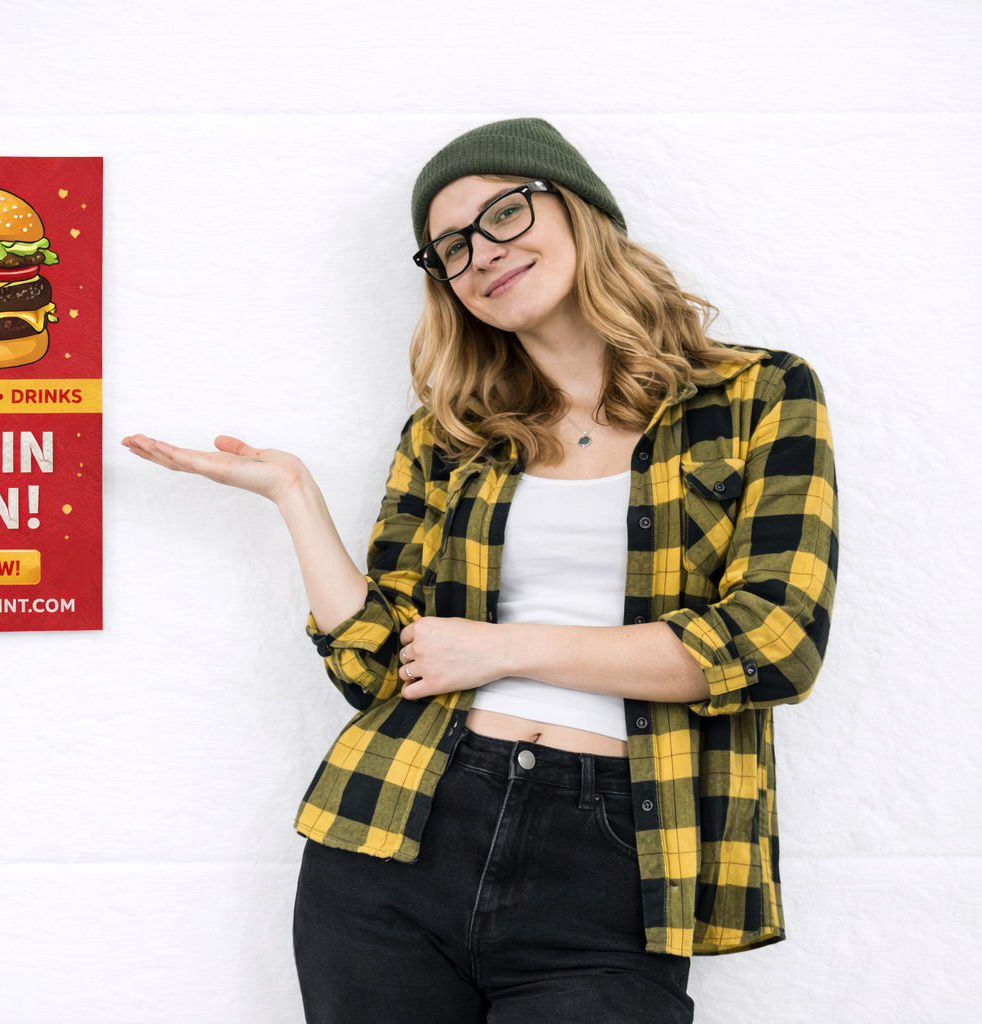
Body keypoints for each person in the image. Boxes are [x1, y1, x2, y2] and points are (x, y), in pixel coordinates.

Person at [123, 118, 837, 1023]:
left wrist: (501, 649)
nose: (480, 255)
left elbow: (776, 644)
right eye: (450, 248)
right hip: (400, 825)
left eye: (504, 214)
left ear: (579, 211)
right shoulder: (449, 432)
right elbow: (380, 667)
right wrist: (293, 495)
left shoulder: (758, 395)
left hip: (623, 848)